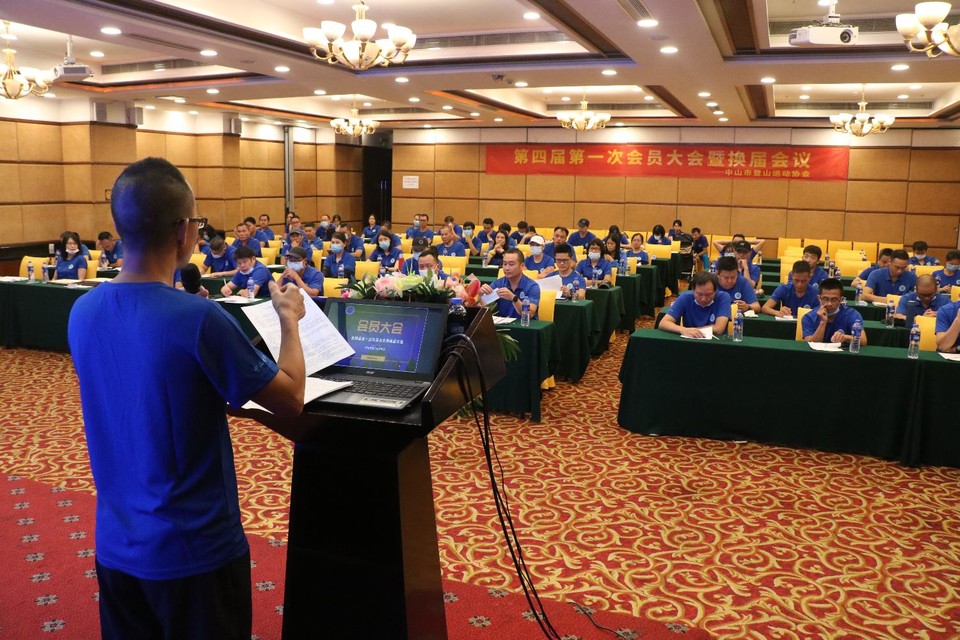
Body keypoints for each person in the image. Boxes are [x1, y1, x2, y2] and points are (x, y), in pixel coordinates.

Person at [67, 157, 306, 640]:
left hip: (115, 546)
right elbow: (290, 398)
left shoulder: (82, 310)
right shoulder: (197, 318)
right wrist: (288, 319)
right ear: (183, 231)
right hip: (194, 551)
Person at [659, 271, 731, 338]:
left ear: (715, 291)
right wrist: (683, 330)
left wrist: (693, 331)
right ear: (693, 290)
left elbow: (719, 329)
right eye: (699, 294)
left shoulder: (723, 297)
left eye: (708, 295)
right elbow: (663, 323)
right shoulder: (685, 297)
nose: (703, 299)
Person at [801, 278, 868, 345]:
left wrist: (845, 337)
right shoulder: (808, 317)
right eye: (825, 299)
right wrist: (822, 322)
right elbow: (810, 343)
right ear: (819, 298)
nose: (829, 304)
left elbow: (863, 340)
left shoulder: (852, 314)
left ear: (841, 299)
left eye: (834, 299)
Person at [479, 248, 540, 319]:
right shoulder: (498, 283)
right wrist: (480, 295)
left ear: (522, 266)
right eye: (504, 264)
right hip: (503, 323)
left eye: (511, 264)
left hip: (525, 324)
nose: (506, 268)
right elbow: (482, 306)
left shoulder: (532, 286)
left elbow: (530, 314)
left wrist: (514, 298)